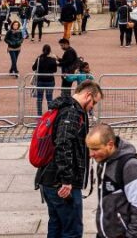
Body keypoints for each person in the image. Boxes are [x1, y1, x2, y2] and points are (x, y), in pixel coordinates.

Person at [35, 81, 103, 238]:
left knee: (56, 226)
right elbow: (63, 144)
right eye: (94, 102)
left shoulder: (63, 108)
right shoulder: (72, 113)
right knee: (72, 231)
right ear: (88, 95)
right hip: (61, 183)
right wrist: (66, 180)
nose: (93, 106)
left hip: (49, 179)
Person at [87, 124, 137, 238]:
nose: (91, 154)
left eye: (95, 149)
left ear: (110, 145)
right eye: (89, 149)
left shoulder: (130, 166)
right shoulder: (103, 162)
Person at [31, 44, 59, 116]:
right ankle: (50, 114)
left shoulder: (39, 58)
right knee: (49, 98)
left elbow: (33, 68)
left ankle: (39, 114)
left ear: (43, 50)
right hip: (50, 80)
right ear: (50, 51)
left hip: (40, 80)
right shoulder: (53, 60)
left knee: (39, 98)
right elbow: (55, 70)